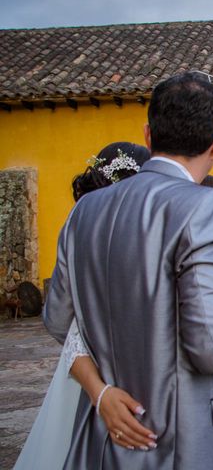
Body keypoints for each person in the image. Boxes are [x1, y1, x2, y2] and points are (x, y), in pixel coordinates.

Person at [43, 71, 213, 469]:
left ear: (148, 135)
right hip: (184, 444)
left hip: (105, 435)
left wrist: (100, 393)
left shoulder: (86, 210)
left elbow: (58, 319)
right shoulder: (207, 207)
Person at [15, 142, 156, 470]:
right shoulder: (151, 232)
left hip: (86, 373)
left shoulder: (78, 224)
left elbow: (58, 320)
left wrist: (94, 378)